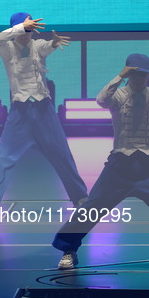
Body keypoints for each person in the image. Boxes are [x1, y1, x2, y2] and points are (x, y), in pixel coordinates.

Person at [0, 12, 88, 215]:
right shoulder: (6, 49)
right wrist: (22, 27)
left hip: (44, 111)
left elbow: (47, 47)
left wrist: (53, 43)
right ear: (16, 30)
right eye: (24, 30)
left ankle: (80, 197)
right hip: (20, 113)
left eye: (30, 30)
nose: (27, 34)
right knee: (4, 158)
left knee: (62, 155)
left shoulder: (37, 45)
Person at [53, 53, 149, 269]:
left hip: (147, 165)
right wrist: (119, 76)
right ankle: (68, 250)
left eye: (143, 74)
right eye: (134, 74)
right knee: (91, 208)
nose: (139, 79)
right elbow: (101, 100)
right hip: (119, 164)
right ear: (128, 74)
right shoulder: (119, 95)